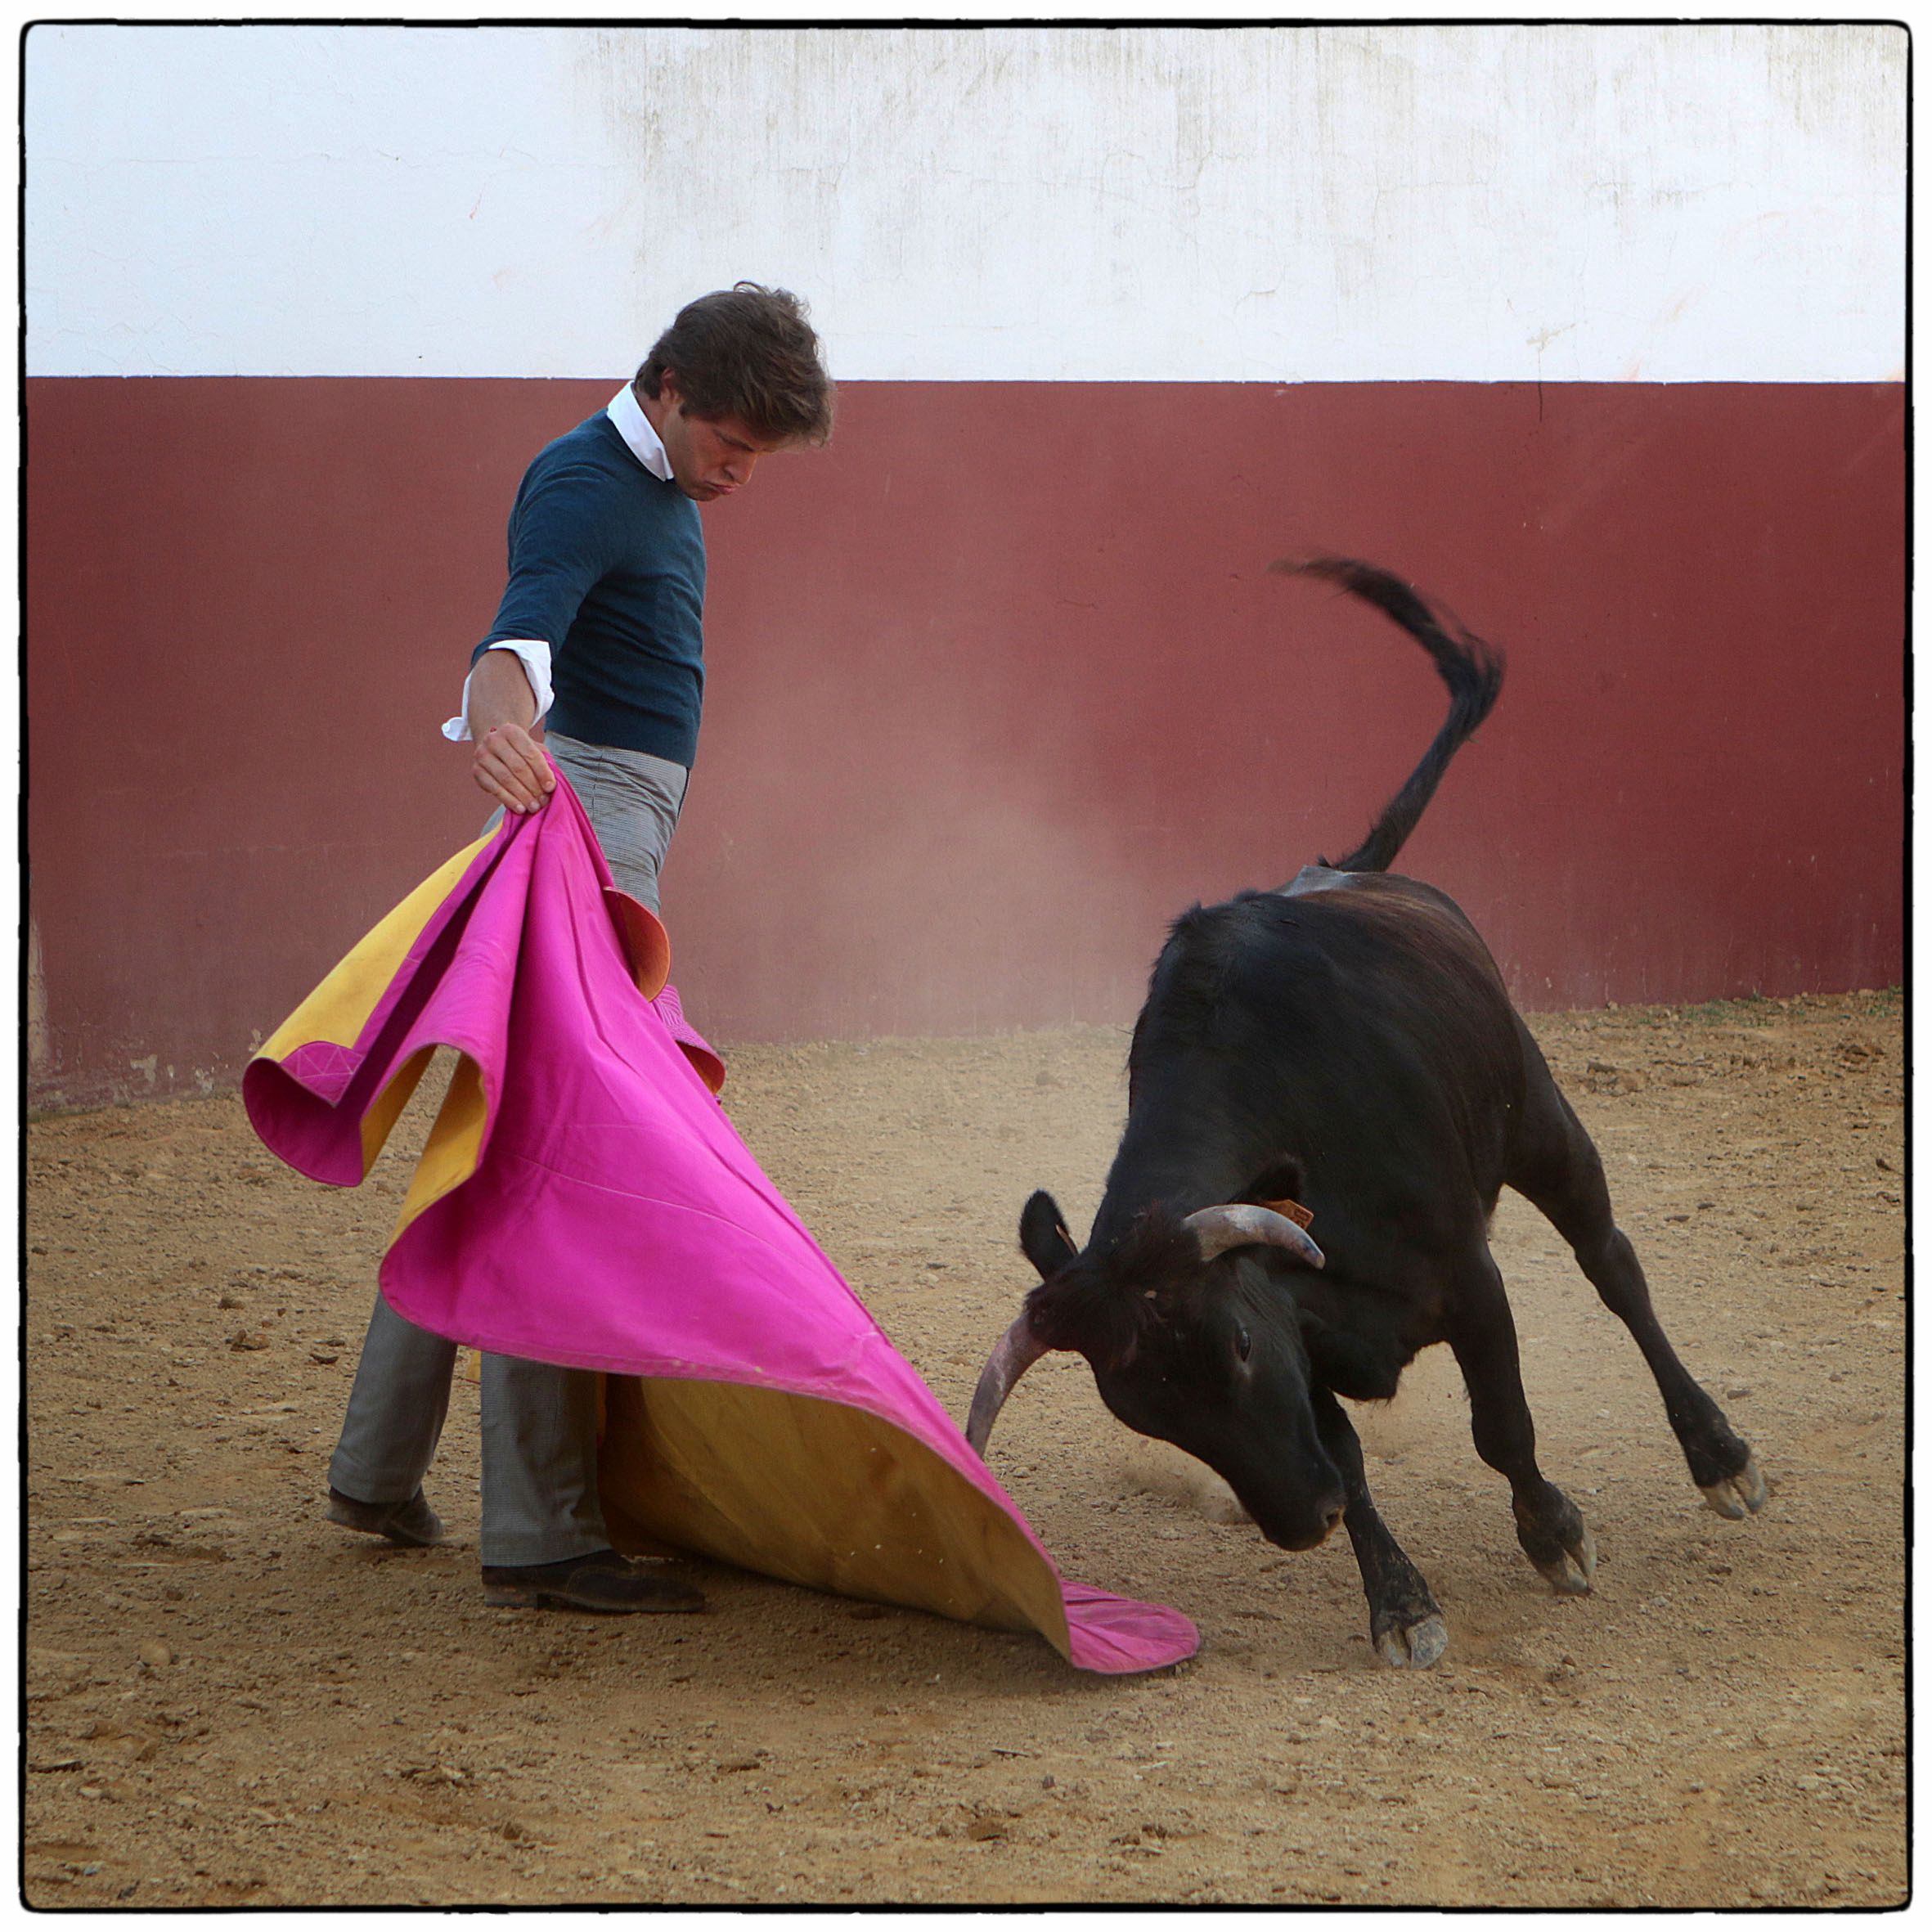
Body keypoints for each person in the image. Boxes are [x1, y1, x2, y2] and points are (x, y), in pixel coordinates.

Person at [324, 284, 836, 1613]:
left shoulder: (650, 483)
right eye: (731, 444)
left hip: (608, 826)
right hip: (590, 831)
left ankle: (375, 1468)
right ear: (666, 382)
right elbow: (515, 637)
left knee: (497, 1142)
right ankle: (541, 1530)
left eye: (753, 457)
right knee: (566, 1161)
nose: (738, 474)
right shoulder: (587, 477)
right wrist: (499, 723)